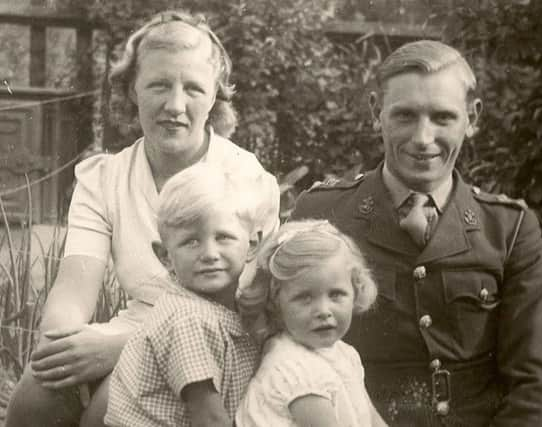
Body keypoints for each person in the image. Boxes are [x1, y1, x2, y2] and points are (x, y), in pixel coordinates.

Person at [6, 10, 279, 427]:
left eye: (192, 88)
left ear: (215, 96)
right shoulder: (105, 178)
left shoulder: (246, 178)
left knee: (108, 407)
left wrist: (120, 350)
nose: (174, 105)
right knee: (37, 393)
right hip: (131, 327)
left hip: (213, 339)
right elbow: (74, 289)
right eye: (158, 85)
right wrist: (61, 344)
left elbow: (250, 307)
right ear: (132, 90)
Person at [290, 40, 542, 426]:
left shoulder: (508, 229)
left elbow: (541, 385)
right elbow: (284, 350)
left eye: (443, 117)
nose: (423, 139)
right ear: (376, 112)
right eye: (405, 116)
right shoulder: (323, 215)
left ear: (472, 118)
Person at [105, 164, 265, 427]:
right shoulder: (187, 319)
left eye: (223, 237)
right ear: (166, 256)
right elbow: (209, 418)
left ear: (252, 244)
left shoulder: (228, 309)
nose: (210, 253)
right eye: (191, 241)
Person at [235, 219, 388, 427]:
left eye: (336, 295)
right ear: (275, 300)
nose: (323, 311)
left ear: (355, 291)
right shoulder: (292, 368)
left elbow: (371, 419)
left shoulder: (344, 353)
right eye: (305, 298)